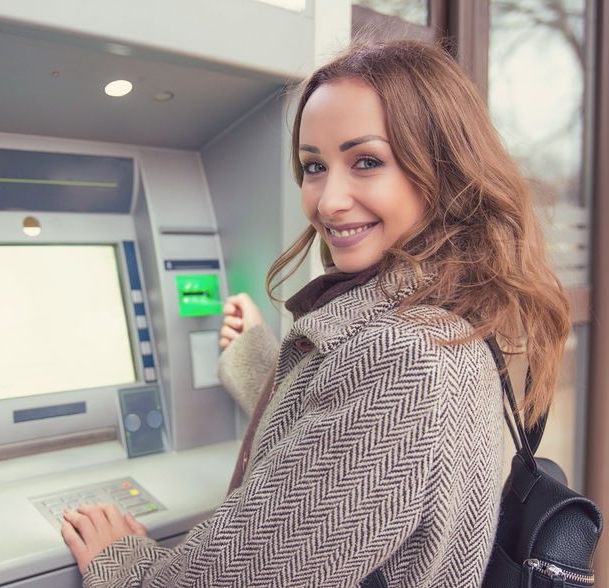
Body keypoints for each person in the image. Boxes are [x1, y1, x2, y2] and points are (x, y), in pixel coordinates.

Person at [60, 38, 571, 587]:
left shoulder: (409, 358)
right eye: (313, 166)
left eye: (367, 161)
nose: (327, 201)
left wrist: (125, 566)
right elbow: (348, 449)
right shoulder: (440, 318)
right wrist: (260, 361)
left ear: (442, 170)